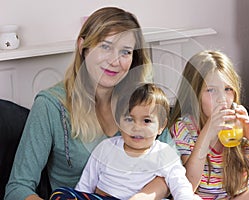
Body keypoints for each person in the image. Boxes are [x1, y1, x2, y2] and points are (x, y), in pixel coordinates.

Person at [5, 7, 175, 200]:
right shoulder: (51, 105)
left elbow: (172, 167)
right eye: (105, 46)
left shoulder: (143, 100)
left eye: (125, 52)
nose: (114, 61)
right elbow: (17, 187)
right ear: (83, 46)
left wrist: (143, 197)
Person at [168, 50, 249, 199]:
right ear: (194, 94)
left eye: (227, 89)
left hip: (238, 196)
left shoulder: (236, 124)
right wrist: (207, 133)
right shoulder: (184, 128)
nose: (222, 99)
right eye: (211, 90)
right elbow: (188, 187)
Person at [50, 83, 199, 200]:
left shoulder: (164, 153)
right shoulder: (106, 148)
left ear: (161, 126)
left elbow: (180, 184)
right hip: (103, 198)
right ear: (119, 122)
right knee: (60, 194)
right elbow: (85, 185)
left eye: (146, 121)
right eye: (129, 119)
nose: (136, 127)